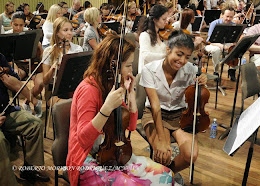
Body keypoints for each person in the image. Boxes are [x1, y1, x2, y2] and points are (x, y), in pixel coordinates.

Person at [67, 34, 174, 186]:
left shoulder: (112, 85)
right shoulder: (88, 89)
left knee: (166, 175)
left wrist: (131, 98)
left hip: (112, 153)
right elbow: (84, 139)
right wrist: (106, 108)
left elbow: (129, 126)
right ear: (113, 65)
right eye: (129, 66)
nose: (132, 70)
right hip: (84, 159)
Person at [140, 30, 207, 173]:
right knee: (162, 155)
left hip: (180, 115)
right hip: (155, 114)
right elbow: (155, 106)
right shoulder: (149, 70)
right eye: (179, 54)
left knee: (191, 155)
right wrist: (162, 141)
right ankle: (161, 174)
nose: (182, 61)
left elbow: (197, 95)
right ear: (168, 49)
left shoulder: (191, 70)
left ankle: (167, 174)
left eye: (187, 57)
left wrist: (202, 81)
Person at [0, 53, 50, 185]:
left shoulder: (0, 58)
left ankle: (30, 169)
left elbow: (17, 82)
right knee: (0, 141)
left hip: (6, 111)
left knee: (35, 124)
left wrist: (9, 81)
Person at [5, 11, 43, 117]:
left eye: (21, 25)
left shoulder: (29, 34)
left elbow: (40, 56)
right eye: (15, 25)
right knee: (16, 77)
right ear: (11, 23)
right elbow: (6, 56)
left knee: (40, 83)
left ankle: (27, 102)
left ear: (24, 24)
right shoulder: (7, 36)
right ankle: (35, 101)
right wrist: (14, 66)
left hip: (32, 64)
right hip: (17, 64)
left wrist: (39, 47)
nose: (18, 28)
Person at [42, 17, 83, 105]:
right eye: (65, 30)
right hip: (55, 90)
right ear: (57, 32)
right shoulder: (49, 51)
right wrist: (53, 69)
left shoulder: (78, 49)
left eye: (71, 30)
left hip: (73, 88)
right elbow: (45, 81)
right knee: (66, 104)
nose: (70, 33)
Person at [204, 4, 236, 81]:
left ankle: (232, 69)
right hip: (213, 44)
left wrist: (232, 44)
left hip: (225, 44)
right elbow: (209, 40)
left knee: (236, 48)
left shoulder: (233, 25)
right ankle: (216, 72)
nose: (229, 19)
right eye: (227, 16)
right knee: (217, 50)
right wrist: (220, 45)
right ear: (222, 15)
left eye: (231, 17)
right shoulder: (214, 23)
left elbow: (233, 40)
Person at [137, 4, 169, 73]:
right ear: (155, 19)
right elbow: (146, 55)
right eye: (164, 19)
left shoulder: (162, 35)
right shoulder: (145, 35)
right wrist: (165, 56)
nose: (166, 22)